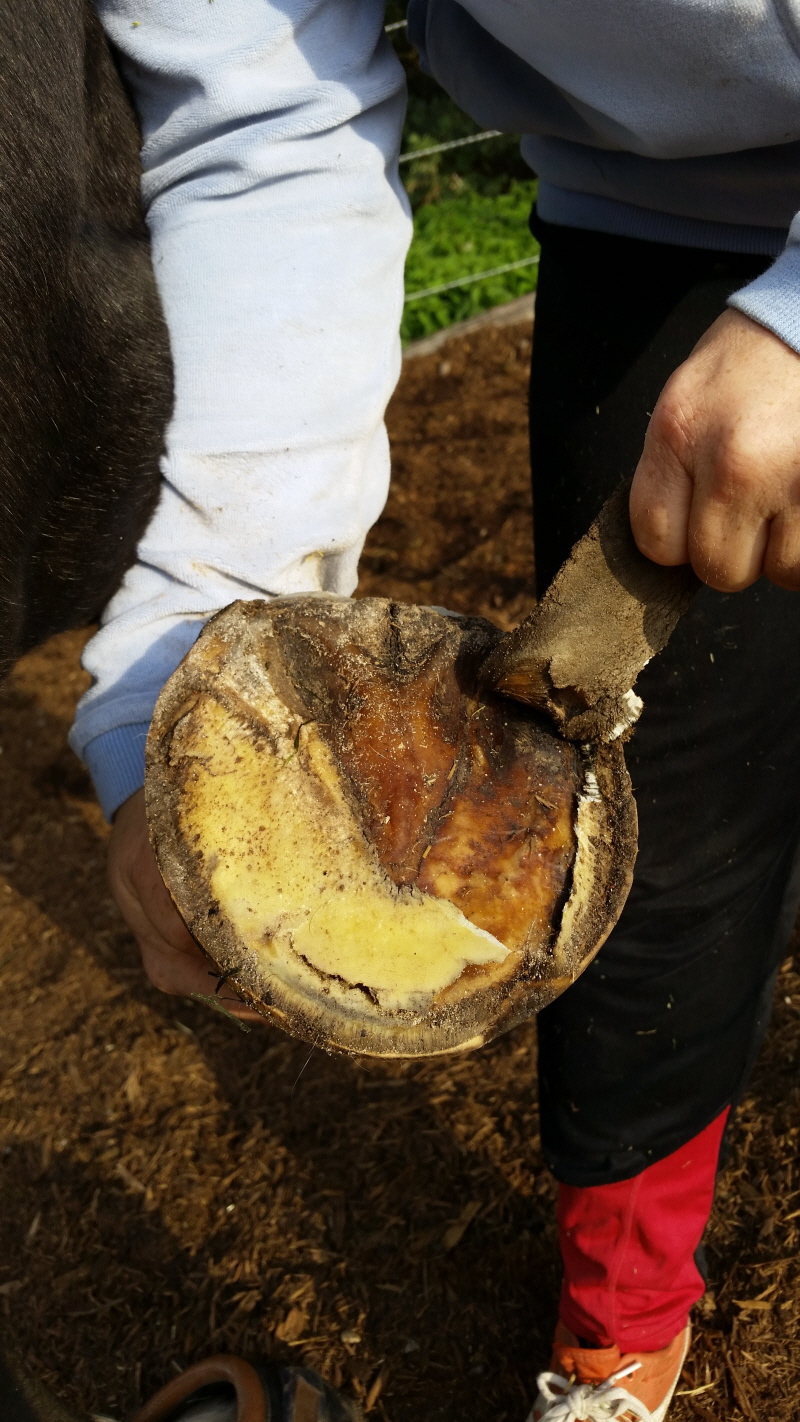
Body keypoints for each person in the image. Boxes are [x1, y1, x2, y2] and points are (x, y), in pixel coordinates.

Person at [78, 4, 800, 1419]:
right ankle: (620, 1333)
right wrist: (203, 622)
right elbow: (264, 127)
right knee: (657, 874)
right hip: (653, 203)